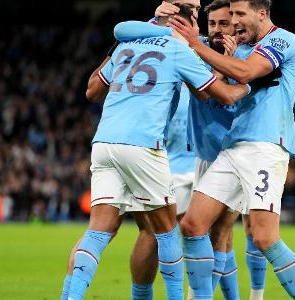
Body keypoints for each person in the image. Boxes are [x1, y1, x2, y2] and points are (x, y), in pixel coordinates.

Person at [64, 5, 264, 300]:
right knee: (167, 232)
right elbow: (212, 94)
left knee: (99, 231)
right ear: (191, 20)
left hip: (104, 142)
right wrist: (249, 84)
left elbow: (93, 91)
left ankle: (71, 296)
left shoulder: (126, 44)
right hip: (147, 146)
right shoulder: (180, 49)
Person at [166, 0, 295, 298]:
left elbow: (245, 73)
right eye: (230, 15)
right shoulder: (239, 48)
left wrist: (197, 45)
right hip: (233, 146)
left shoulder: (282, 40)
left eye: (240, 14)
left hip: (266, 146)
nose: (233, 21)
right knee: (192, 225)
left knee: (263, 237)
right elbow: (221, 90)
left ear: (261, 13)